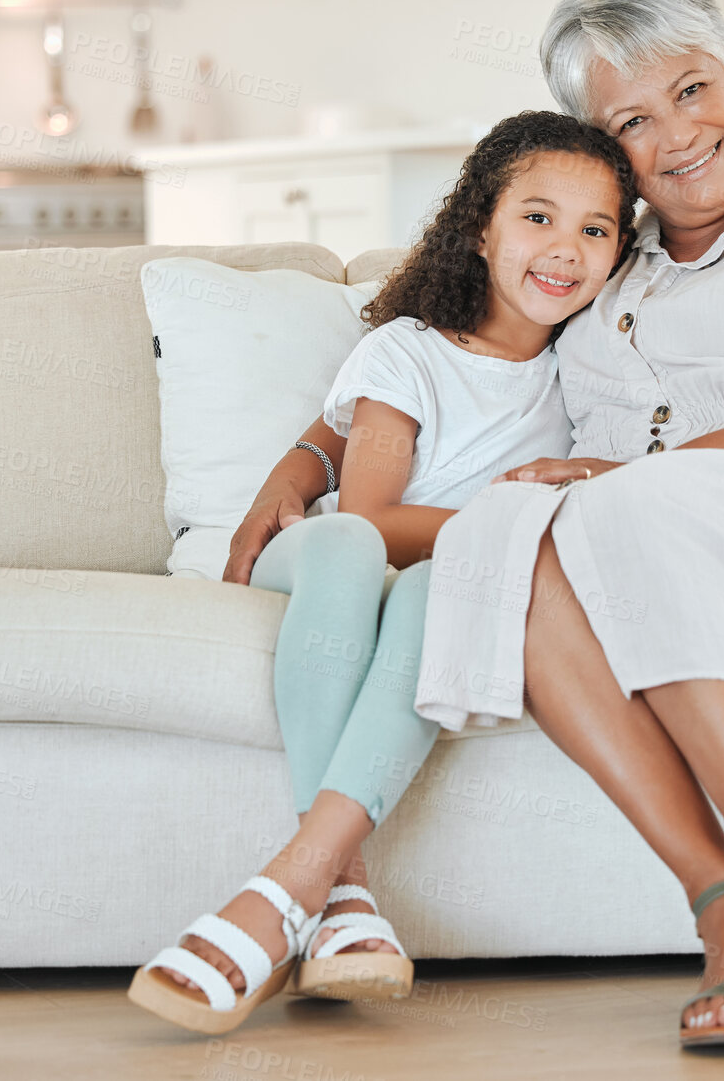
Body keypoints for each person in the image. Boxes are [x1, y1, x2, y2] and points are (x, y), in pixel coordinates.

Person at [225, 0, 724, 1066]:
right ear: (599, 150)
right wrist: (309, 449)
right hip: (621, 535)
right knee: (505, 535)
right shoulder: (604, 262)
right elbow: (450, 335)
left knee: (604, 513)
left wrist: (621, 480)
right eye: (629, 119)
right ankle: (720, 908)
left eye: (688, 90)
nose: (675, 136)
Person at [129, 110, 638, 1035]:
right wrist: (503, 520)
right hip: (326, 558)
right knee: (357, 547)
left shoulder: (584, 379)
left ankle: (318, 901)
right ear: (480, 229)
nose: (564, 249)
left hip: (436, 578)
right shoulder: (405, 350)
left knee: (447, 589)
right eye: (536, 218)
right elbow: (365, 514)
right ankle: (340, 881)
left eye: (594, 229)